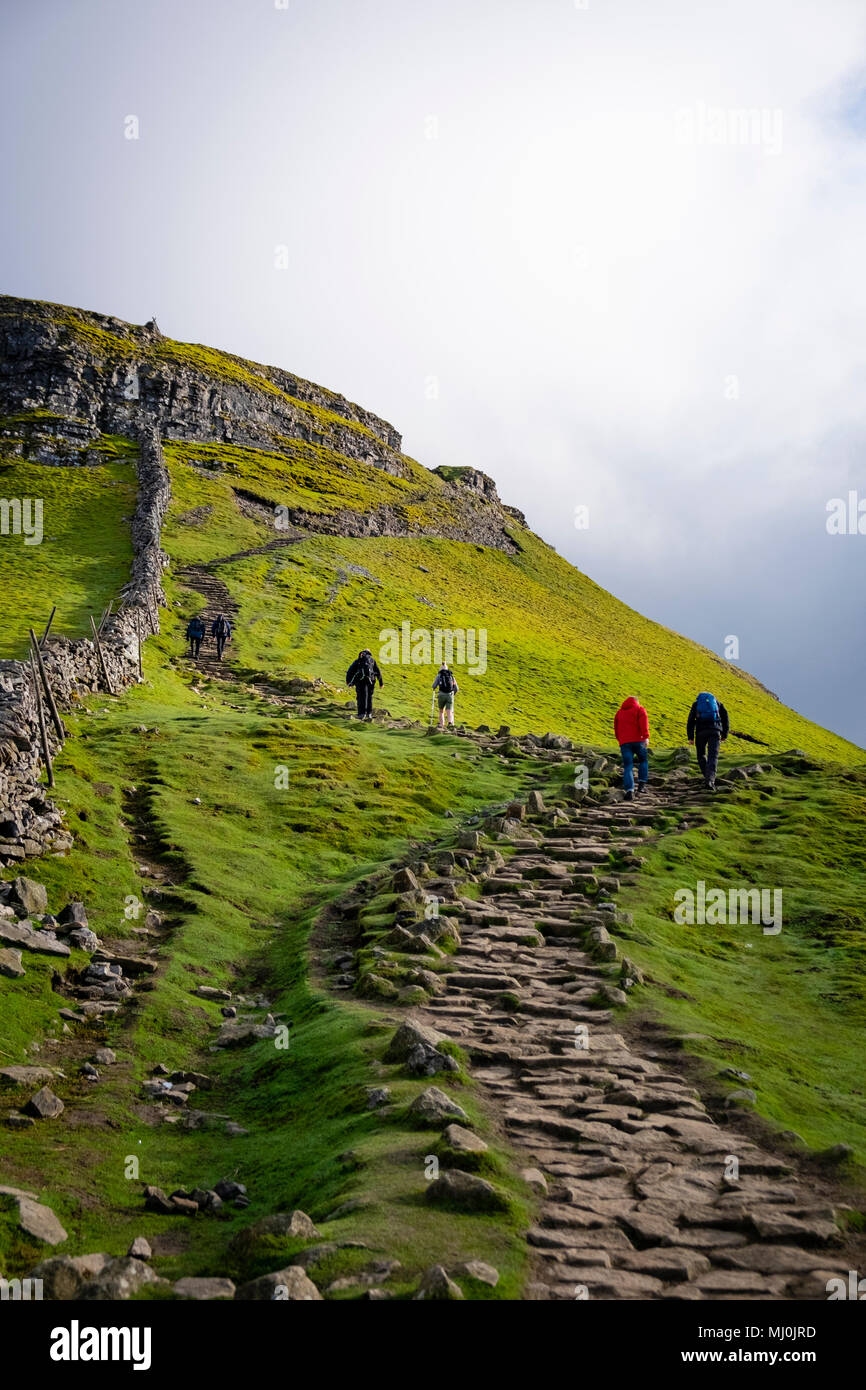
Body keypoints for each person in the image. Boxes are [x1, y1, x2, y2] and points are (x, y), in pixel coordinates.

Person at [687, 691, 729, 790]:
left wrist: (690, 737)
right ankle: (710, 780)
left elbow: (691, 720)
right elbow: (725, 718)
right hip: (715, 731)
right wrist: (724, 734)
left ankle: (708, 778)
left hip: (700, 732)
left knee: (701, 755)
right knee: (713, 756)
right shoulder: (718, 704)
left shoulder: (696, 704)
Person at [614, 695, 649, 801]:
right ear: (636, 702)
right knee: (643, 761)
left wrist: (620, 740)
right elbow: (644, 724)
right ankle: (641, 786)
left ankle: (630, 790)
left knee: (628, 765)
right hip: (639, 741)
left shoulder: (619, 713)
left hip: (625, 742)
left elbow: (616, 728)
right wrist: (646, 736)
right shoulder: (639, 709)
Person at [346, 648, 383, 721]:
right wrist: (381, 683)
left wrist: (348, 681)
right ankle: (369, 714)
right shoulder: (372, 661)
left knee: (361, 697)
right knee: (369, 697)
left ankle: (361, 714)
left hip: (361, 681)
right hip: (371, 681)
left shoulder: (358, 661)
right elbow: (378, 671)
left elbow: (350, 670)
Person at [432, 663, 459, 729]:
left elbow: (434, 686)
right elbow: (456, 688)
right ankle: (450, 723)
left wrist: (434, 688)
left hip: (441, 695)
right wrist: (453, 694)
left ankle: (442, 725)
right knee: (449, 710)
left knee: (441, 711)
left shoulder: (439, 675)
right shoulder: (451, 676)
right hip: (449, 695)